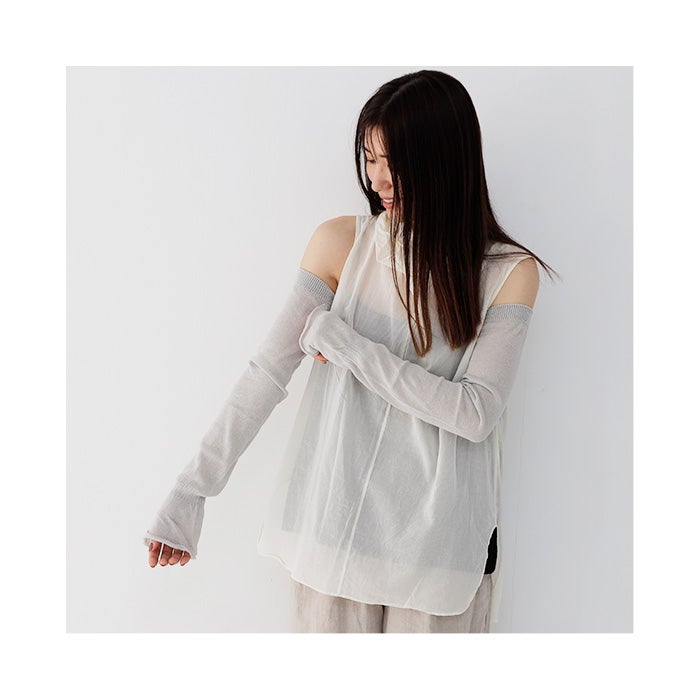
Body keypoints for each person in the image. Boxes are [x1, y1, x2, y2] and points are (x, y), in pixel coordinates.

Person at [144, 69, 559, 633]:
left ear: (445, 160)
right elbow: (267, 373)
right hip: (334, 531)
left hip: (441, 550)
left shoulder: (507, 272)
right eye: (370, 158)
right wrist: (190, 492)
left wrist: (345, 345)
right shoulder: (341, 243)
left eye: (396, 161)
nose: (379, 179)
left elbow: (474, 412)